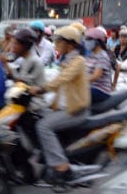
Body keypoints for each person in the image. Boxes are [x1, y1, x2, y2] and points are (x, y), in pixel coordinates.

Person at [29, 26, 90, 183]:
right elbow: (54, 79)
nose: (56, 44)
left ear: (69, 44)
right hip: (63, 108)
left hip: (75, 110)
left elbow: (61, 80)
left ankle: (61, 166)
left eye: (59, 41)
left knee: (43, 126)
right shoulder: (66, 61)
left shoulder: (78, 61)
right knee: (35, 117)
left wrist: (41, 89)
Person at [84, 28, 113, 104]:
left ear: (97, 42)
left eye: (89, 39)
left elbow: (96, 75)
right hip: (91, 87)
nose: (86, 42)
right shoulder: (91, 54)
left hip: (101, 90)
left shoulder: (102, 56)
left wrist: (80, 82)